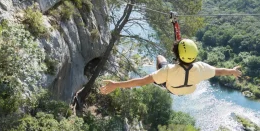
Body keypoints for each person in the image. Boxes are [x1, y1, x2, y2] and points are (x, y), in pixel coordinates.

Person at [100, 39, 242, 95]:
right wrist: (233, 71)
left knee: (160, 58)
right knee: (165, 69)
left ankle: (161, 80)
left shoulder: (168, 71)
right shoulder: (201, 68)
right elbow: (219, 71)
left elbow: (141, 81)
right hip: (187, 89)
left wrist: (116, 84)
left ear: (177, 54)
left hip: (171, 88)